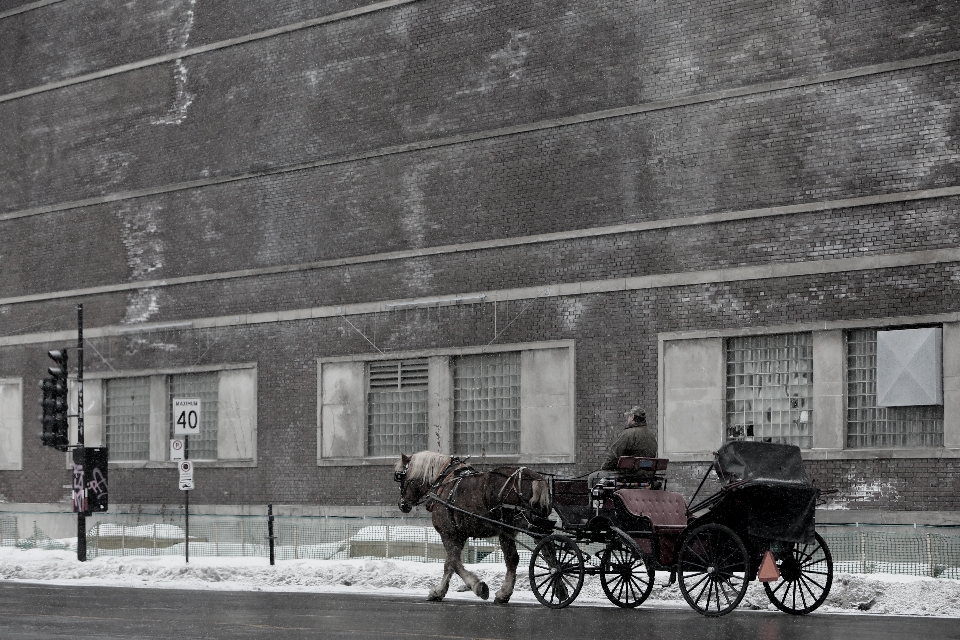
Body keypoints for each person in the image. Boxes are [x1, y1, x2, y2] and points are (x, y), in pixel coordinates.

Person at [600, 406, 657, 471]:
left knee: (592, 477)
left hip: (630, 474)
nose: (628, 419)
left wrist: (605, 467)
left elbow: (614, 454)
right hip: (648, 474)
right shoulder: (650, 434)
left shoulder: (628, 434)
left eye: (629, 416)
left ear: (632, 417)